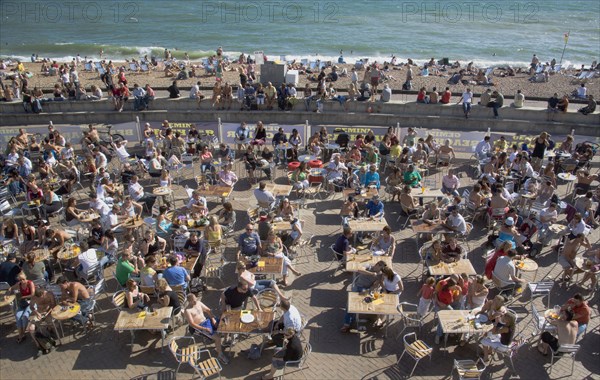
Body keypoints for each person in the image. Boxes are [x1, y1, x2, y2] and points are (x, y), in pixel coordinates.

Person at [185, 293, 229, 364]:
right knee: (217, 338)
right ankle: (220, 355)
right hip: (201, 326)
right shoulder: (187, 311)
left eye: (195, 299)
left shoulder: (198, 303)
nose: (195, 301)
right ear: (189, 301)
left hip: (208, 321)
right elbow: (192, 324)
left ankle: (225, 341)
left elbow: (208, 310)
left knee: (224, 324)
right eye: (193, 301)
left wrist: (213, 319)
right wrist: (204, 329)